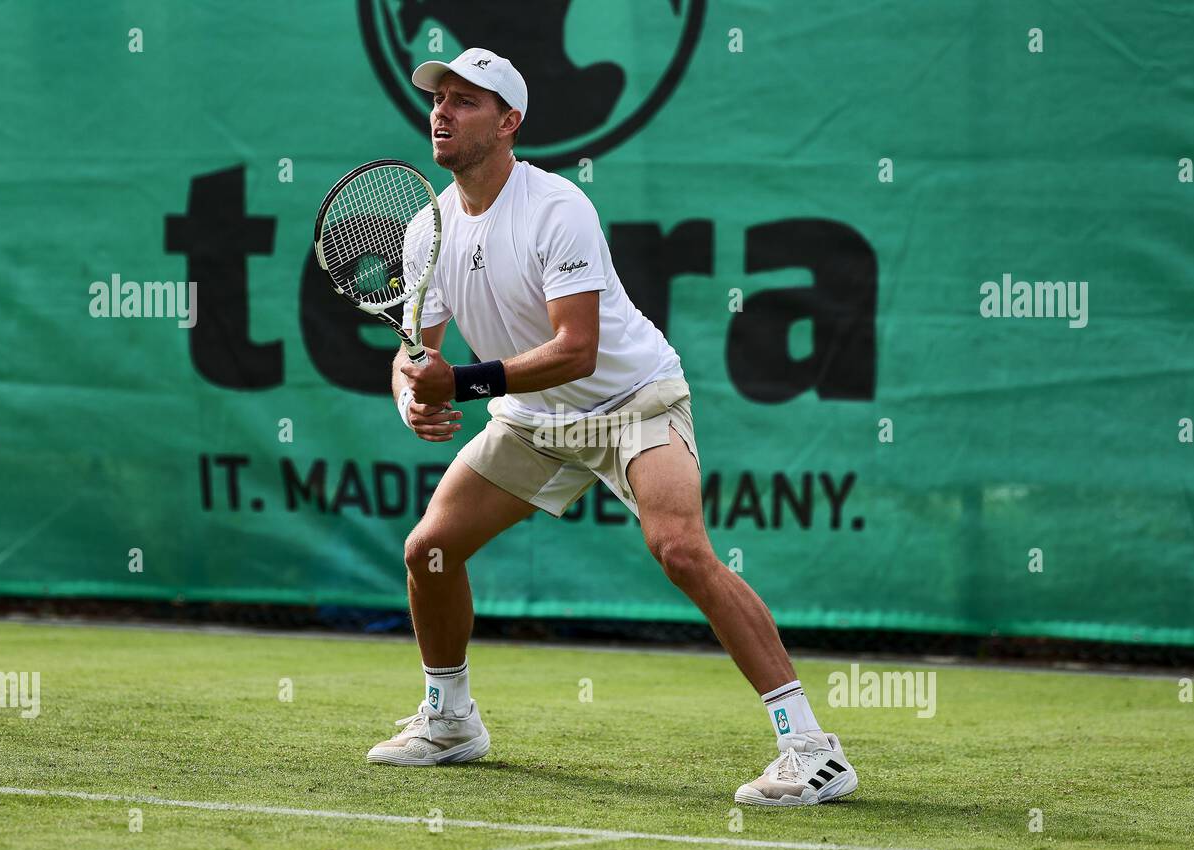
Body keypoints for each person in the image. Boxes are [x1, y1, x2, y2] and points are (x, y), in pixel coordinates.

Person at [367, 48, 857, 807]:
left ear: (508, 123)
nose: (442, 111)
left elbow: (577, 349)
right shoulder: (427, 229)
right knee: (430, 549)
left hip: (634, 401)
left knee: (681, 550)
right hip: (536, 419)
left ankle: (812, 749)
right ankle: (449, 720)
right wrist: (414, 400)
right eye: (440, 98)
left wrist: (460, 382)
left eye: (466, 101)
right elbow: (415, 356)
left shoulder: (557, 207)